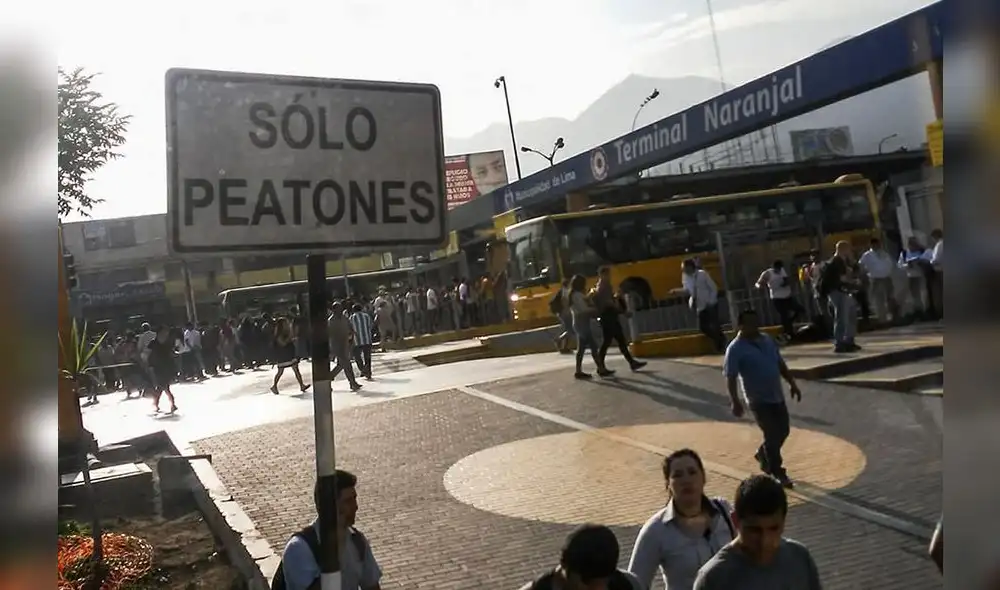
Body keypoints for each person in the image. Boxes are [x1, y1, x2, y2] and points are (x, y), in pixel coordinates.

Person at [628, 449, 736, 590]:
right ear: (668, 484)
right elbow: (635, 583)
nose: (686, 480)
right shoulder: (655, 531)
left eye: (692, 472)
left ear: (703, 478)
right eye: (678, 475)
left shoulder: (724, 511)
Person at [693, 475, 821, 590]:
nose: (764, 541)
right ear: (735, 521)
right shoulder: (714, 579)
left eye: (773, 528)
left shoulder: (800, 558)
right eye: (754, 530)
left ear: (784, 521)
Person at [723, 309, 802, 489]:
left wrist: (792, 383)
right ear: (740, 326)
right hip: (758, 400)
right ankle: (777, 471)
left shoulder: (766, 340)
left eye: (756, 322)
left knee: (783, 431)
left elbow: (779, 363)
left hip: (776, 395)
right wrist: (734, 400)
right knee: (772, 433)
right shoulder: (735, 349)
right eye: (750, 323)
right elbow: (730, 376)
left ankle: (763, 453)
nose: (755, 326)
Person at [274, 470, 382, 590]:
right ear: (329, 507)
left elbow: (372, 585)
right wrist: (336, 549)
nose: (356, 506)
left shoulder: (357, 542)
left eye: (354, 499)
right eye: (348, 501)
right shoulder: (299, 549)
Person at [520, 524, 642, 590]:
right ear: (565, 567)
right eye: (588, 581)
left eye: (605, 580)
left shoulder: (629, 585)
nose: (599, 589)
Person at [594, 267, 646, 372]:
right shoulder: (604, 286)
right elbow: (608, 303)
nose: (609, 276)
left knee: (614, 341)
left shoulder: (601, 286)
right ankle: (601, 366)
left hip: (608, 317)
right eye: (608, 274)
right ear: (602, 274)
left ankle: (630, 362)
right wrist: (622, 311)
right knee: (609, 342)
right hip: (609, 317)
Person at [673, 259, 725, 352]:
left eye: (684, 268)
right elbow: (688, 290)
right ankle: (720, 339)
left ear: (690, 267)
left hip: (710, 303)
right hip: (699, 305)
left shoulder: (702, 274)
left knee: (715, 325)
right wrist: (677, 291)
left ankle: (719, 346)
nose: (683, 270)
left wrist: (711, 301)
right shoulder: (685, 277)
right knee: (703, 327)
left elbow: (713, 287)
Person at [817, 241, 860, 353]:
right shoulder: (836, 261)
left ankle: (849, 340)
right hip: (838, 291)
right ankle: (839, 342)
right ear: (843, 249)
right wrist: (853, 281)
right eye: (848, 249)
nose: (850, 251)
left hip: (843, 291)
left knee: (851, 315)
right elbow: (842, 278)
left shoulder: (841, 261)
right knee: (842, 316)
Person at [567, 274, 610, 379]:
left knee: (581, 348)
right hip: (582, 323)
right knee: (593, 346)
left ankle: (579, 371)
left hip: (580, 323)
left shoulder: (574, 294)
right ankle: (601, 368)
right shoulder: (576, 295)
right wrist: (593, 309)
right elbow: (583, 309)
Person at [755, 260, 799, 343]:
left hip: (787, 296)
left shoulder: (782, 271)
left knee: (799, 309)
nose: (778, 270)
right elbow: (758, 283)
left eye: (779, 268)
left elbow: (787, 280)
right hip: (777, 298)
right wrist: (760, 286)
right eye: (776, 269)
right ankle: (789, 334)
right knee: (784, 315)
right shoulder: (767, 273)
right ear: (773, 267)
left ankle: (788, 325)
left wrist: (787, 282)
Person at [270, 317, 310, 395]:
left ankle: (302, 385)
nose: (287, 325)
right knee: (280, 372)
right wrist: (290, 338)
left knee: (296, 370)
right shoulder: (279, 335)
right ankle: (274, 386)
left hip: (290, 355)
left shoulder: (286, 332)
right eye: (285, 323)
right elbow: (283, 343)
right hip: (283, 356)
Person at [329, 301, 363, 392]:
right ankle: (352, 383)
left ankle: (328, 379)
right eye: (338, 308)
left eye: (341, 308)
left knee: (341, 365)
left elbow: (350, 327)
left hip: (346, 344)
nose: (340, 310)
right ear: (334, 310)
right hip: (337, 346)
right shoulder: (331, 321)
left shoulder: (344, 318)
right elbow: (331, 335)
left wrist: (352, 335)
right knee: (347, 364)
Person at [145, 326, 178, 414]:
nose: (166, 333)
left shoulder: (168, 342)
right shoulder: (153, 342)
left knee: (162, 387)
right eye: (164, 332)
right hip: (157, 367)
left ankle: (156, 403)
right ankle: (172, 404)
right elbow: (148, 354)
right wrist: (148, 364)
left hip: (167, 366)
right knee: (164, 386)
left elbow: (171, 352)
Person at [349, 304, 375, 380]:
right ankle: (368, 372)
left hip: (357, 341)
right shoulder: (366, 316)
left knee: (357, 356)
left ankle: (363, 369)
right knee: (367, 357)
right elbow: (371, 325)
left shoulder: (352, 318)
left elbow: (350, 329)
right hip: (367, 339)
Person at [550, 278, 573, 354]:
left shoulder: (562, 291)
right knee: (570, 330)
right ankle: (559, 340)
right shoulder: (566, 291)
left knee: (568, 329)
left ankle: (565, 347)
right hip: (566, 313)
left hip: (563, 313)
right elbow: (565, 302)